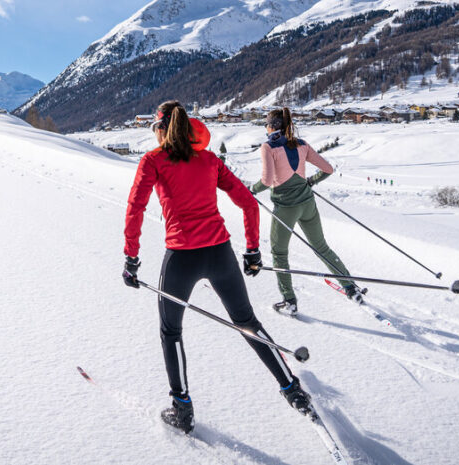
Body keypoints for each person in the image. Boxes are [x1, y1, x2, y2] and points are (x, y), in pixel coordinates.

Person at [122, 100, 315, 434]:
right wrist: (253, 250)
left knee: (171, 332)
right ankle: (292, 389)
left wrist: (131, 258)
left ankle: (182, 408)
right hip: (220, 254)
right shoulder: (210, 160)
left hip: (181, 258)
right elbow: (247, 202)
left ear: (160, 129)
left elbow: (135, 209)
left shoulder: (153, 161)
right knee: (247, 323)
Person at [250, 107, 361, 316]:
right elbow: (328, 169)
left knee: (279, 253)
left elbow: (266, 181)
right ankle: (351, 287)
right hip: (308, 205)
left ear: (273, 126)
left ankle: (289, 299)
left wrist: (250, 190)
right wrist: (310, 182)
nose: (265, 127)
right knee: (321, 247)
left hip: (285, 208)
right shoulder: (301, 144)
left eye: (266, 123)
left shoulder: (268, 147)